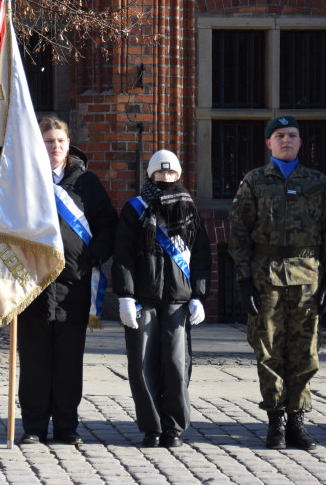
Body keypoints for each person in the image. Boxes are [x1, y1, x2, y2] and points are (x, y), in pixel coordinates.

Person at [228, 116, 326, 451]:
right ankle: (275, 420)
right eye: (279, 136)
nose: (287, 140)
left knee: (305, 352)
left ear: (300, 142)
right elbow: (238, 232)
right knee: (268, 350)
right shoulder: (253, 181)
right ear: (269, 143)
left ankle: (298, 420)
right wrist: (244, 280)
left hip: (307, 275)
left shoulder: (317, 182)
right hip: (266, 277)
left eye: (293, 135)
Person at [18, 117, 117, 446]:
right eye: (48, 141)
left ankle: (66, 426)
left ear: (68, 144)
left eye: (59, 140)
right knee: (34, 362)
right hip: (33, 288)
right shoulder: (24, 180)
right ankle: (33, 426)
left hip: (74, 286)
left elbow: (107, 223)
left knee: (68, 364)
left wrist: (92, 255)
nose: (54, 146)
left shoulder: (86, 182)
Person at [113, 149, 211, 449]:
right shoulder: (135, 208)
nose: (164, 178)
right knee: (142, 364)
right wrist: (125, 295)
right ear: (150, 175)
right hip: (143, 297)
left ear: (178, 175)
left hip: (178, 300)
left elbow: (201, 256)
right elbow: (124, 255)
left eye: (170, 173)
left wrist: (198, 294)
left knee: (175, 363)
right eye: (159, 172)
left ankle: (173, 427)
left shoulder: (189, 208)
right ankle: (151, 427)